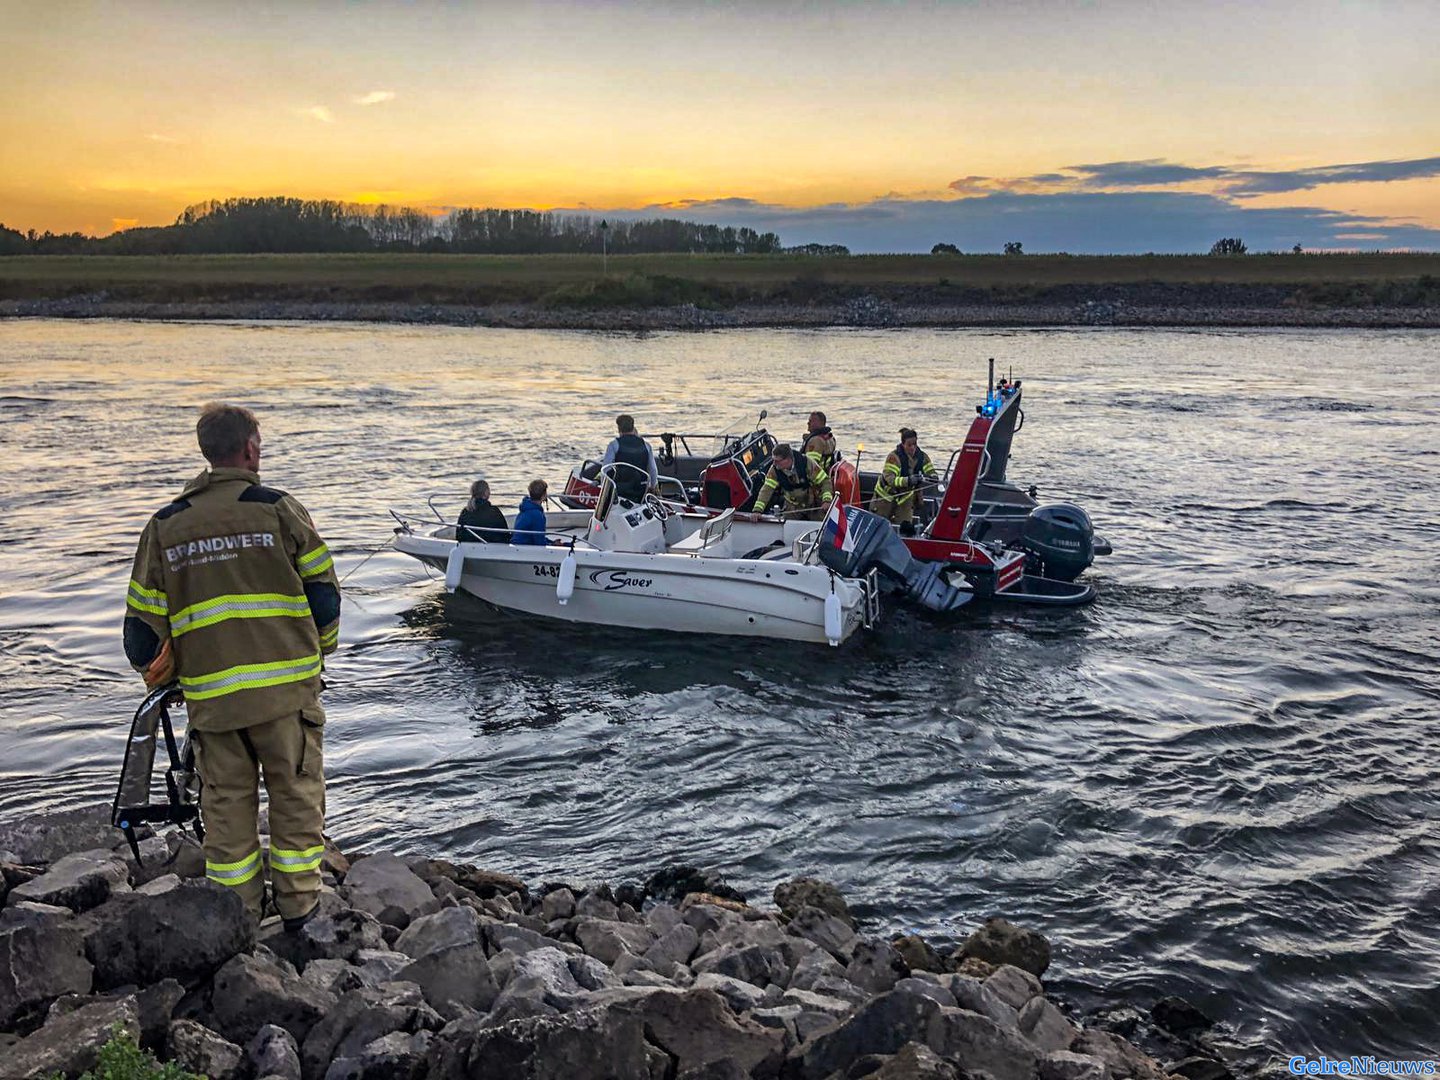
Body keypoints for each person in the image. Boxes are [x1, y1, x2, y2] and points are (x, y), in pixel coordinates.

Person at [123, 403, 338, 930]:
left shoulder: (166, 525)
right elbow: (326, 600)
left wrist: (168, 678)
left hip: (213, 707)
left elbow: (140, 636)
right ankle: (300, 910)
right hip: (287, 700)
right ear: (249, 448)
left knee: (226, 813)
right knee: (295, 801)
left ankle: (236, 919)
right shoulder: (280, 509)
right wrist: (318, 656)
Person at [872, 427, 939, 535]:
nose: (912, 447)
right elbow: (890, 479)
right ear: (903, 444)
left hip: (905, 498)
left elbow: (930, 469)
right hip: (885, 497)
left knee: (905, 527)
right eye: (909, 445)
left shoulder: (922, 457)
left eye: (915, 444)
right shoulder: (893, 458)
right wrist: (908, 480)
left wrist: (933, 476)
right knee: (878, 526)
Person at [751, 443, 833, 520]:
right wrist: (757, 510)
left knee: (821, 525)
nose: (774, 464)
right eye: (773, 460)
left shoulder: (806, 463)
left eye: (778, 461)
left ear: (788, 459)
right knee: (788, 528)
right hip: (792, 507)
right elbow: (766, 489)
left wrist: (826, 500)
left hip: (813, 504)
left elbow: (825, 481)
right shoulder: (774, 470)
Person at [601, 414, 658, 503]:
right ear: (633, 427)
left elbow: (605, 470)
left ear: (619, 428)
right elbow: (653, 470)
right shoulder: (646, 445)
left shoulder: (614, 445)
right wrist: (652, 487)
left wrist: (604, 492)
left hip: (620, 492)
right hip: (640, 490)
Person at [513, 479, 549, 545]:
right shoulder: (537, 515)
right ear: (544, 495)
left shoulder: (524, 510)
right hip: (526, 549)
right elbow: (539, 542)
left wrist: (551, 542)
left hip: (518, 544)